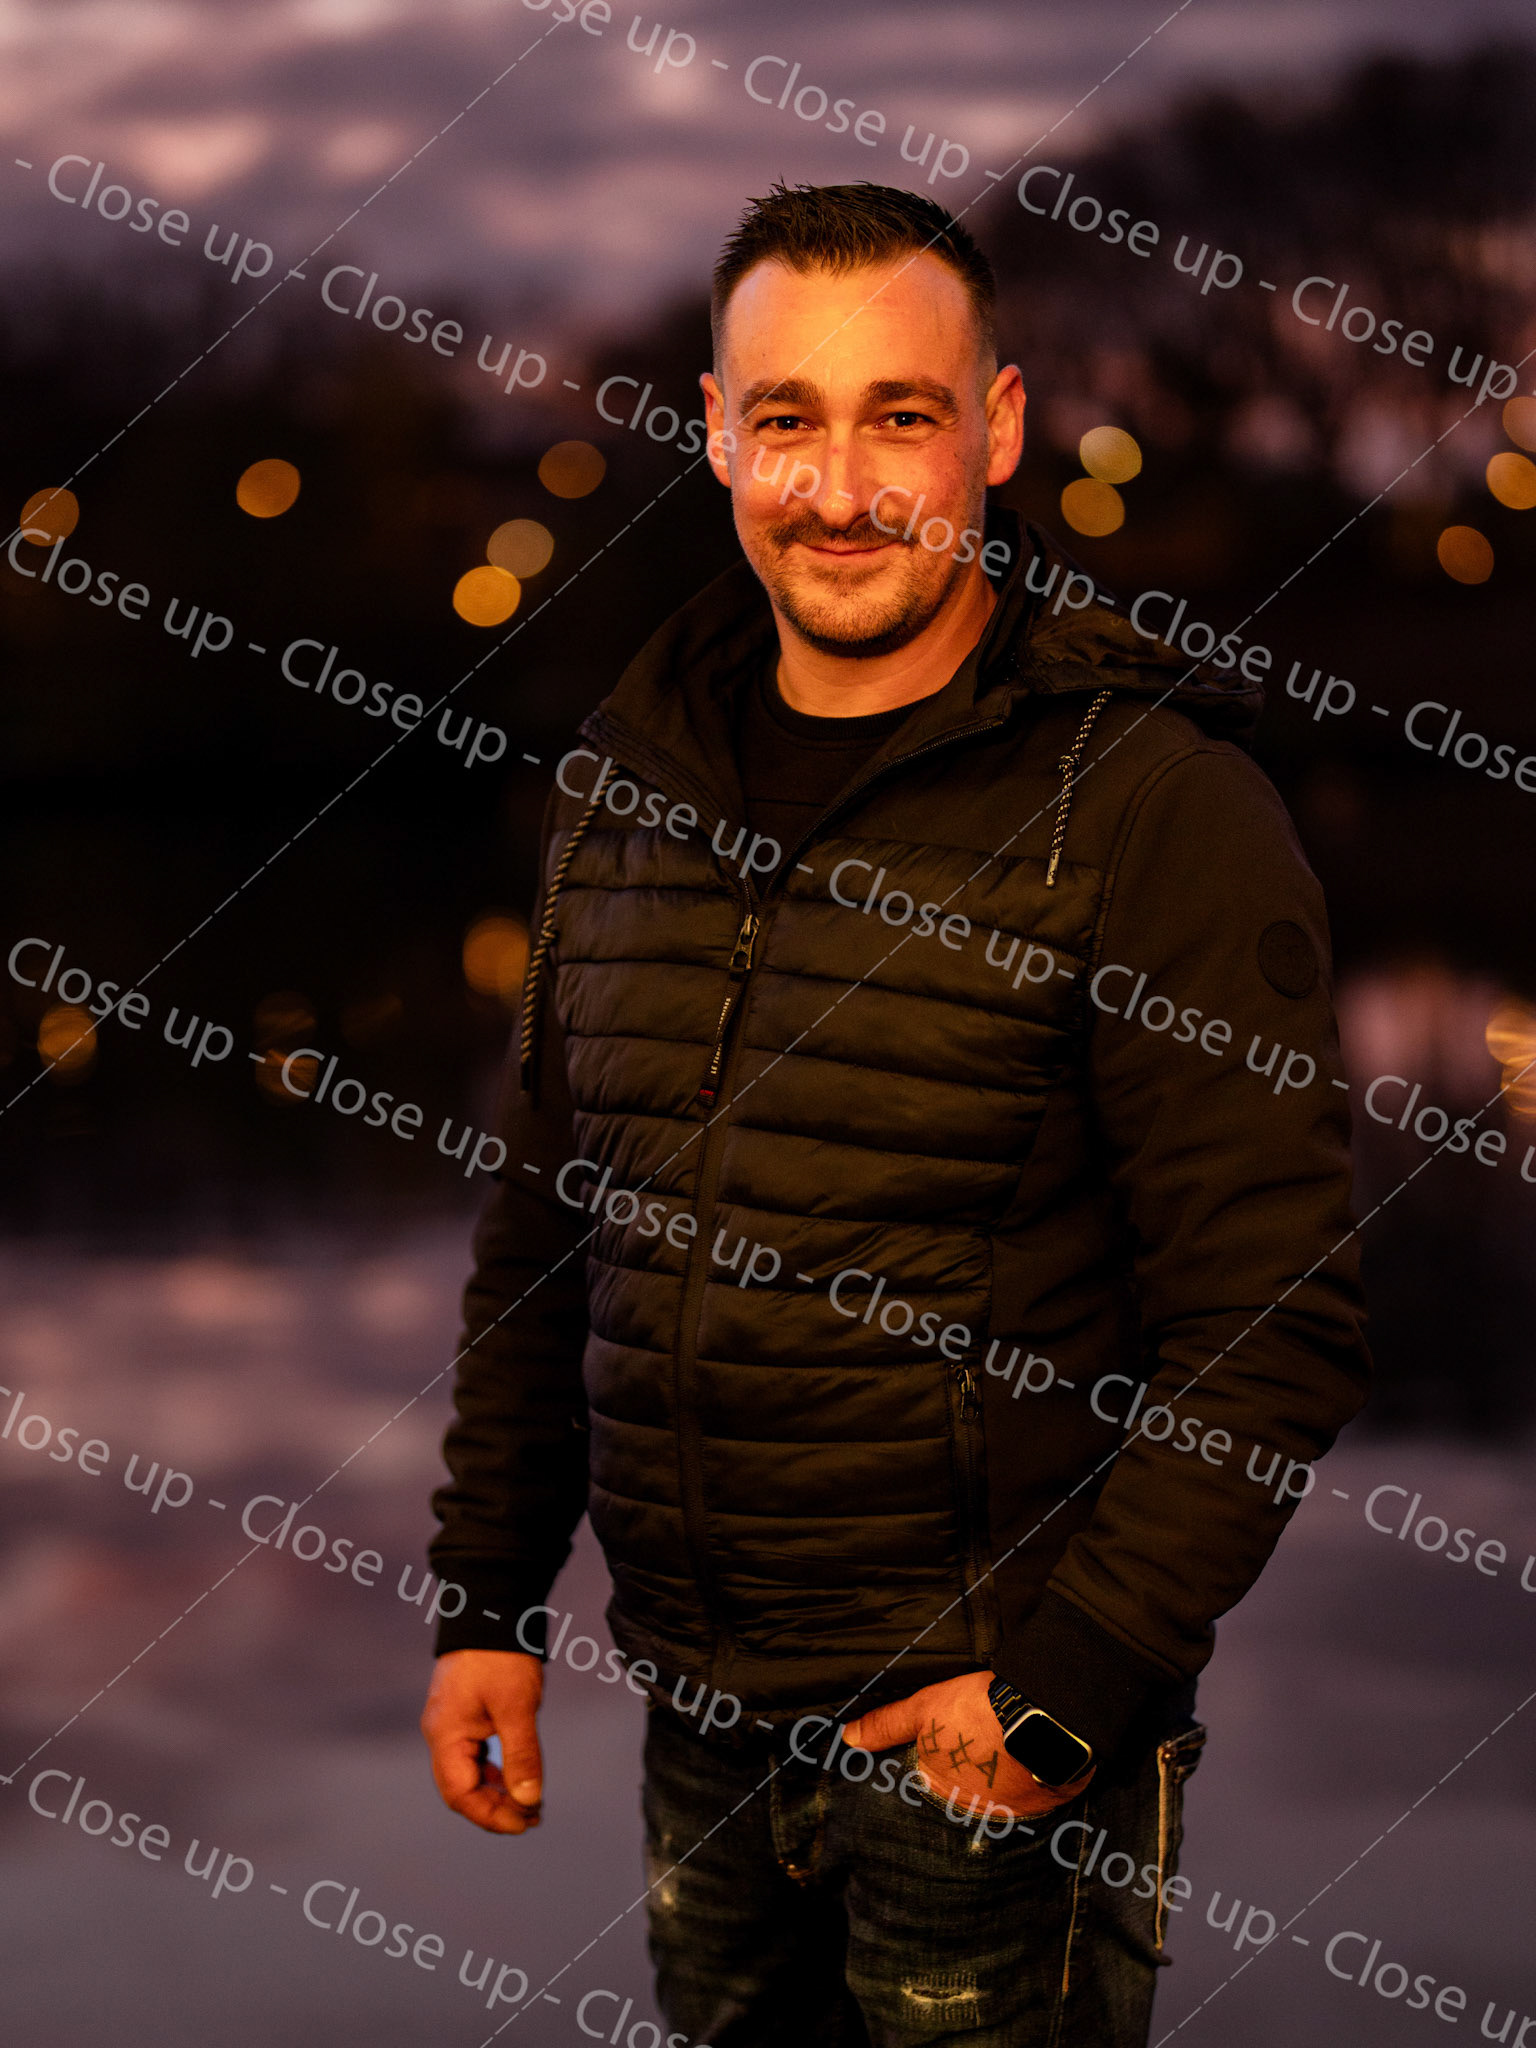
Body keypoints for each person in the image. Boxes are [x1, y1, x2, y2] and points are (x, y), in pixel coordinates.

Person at [420, 181, 1369, 2046]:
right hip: (698, 1723)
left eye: (901, 417)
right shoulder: (625, 781)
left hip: (987, 1755)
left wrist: (1067, 1689)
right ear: (719, 432)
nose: (840, 490)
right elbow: (546, 1235)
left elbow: (1273, 1326)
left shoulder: (1154, 804)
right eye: (789, 418)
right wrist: (485, 1602)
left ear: (996, 430)